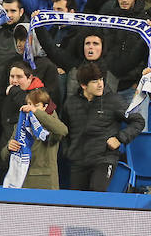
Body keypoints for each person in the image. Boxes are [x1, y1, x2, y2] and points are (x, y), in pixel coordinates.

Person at [62, 62, 144, 190]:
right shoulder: (70, 103)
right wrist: (68, 151)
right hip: (78, 161)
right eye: (95, 81)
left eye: (101, 79)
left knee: (96, 196)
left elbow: (138, 121)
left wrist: (120, 138)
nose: (100, 84)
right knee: (77, 204)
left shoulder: (113, 100)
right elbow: (64, 130)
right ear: (83, 85)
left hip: (104, 159)